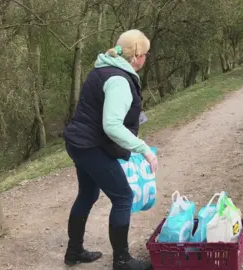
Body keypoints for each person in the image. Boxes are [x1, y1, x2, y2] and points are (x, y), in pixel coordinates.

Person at [62, 29, 158, 270]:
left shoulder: (102, 69)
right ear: (136, 56)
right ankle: (122, 261)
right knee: (123, 196)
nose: (146, 58)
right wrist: (143, 148)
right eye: (145, 53)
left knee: (87, 194)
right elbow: (112, 125)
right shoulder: (118, 80)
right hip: (90, 146)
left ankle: (74, 252)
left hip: (78, 142)